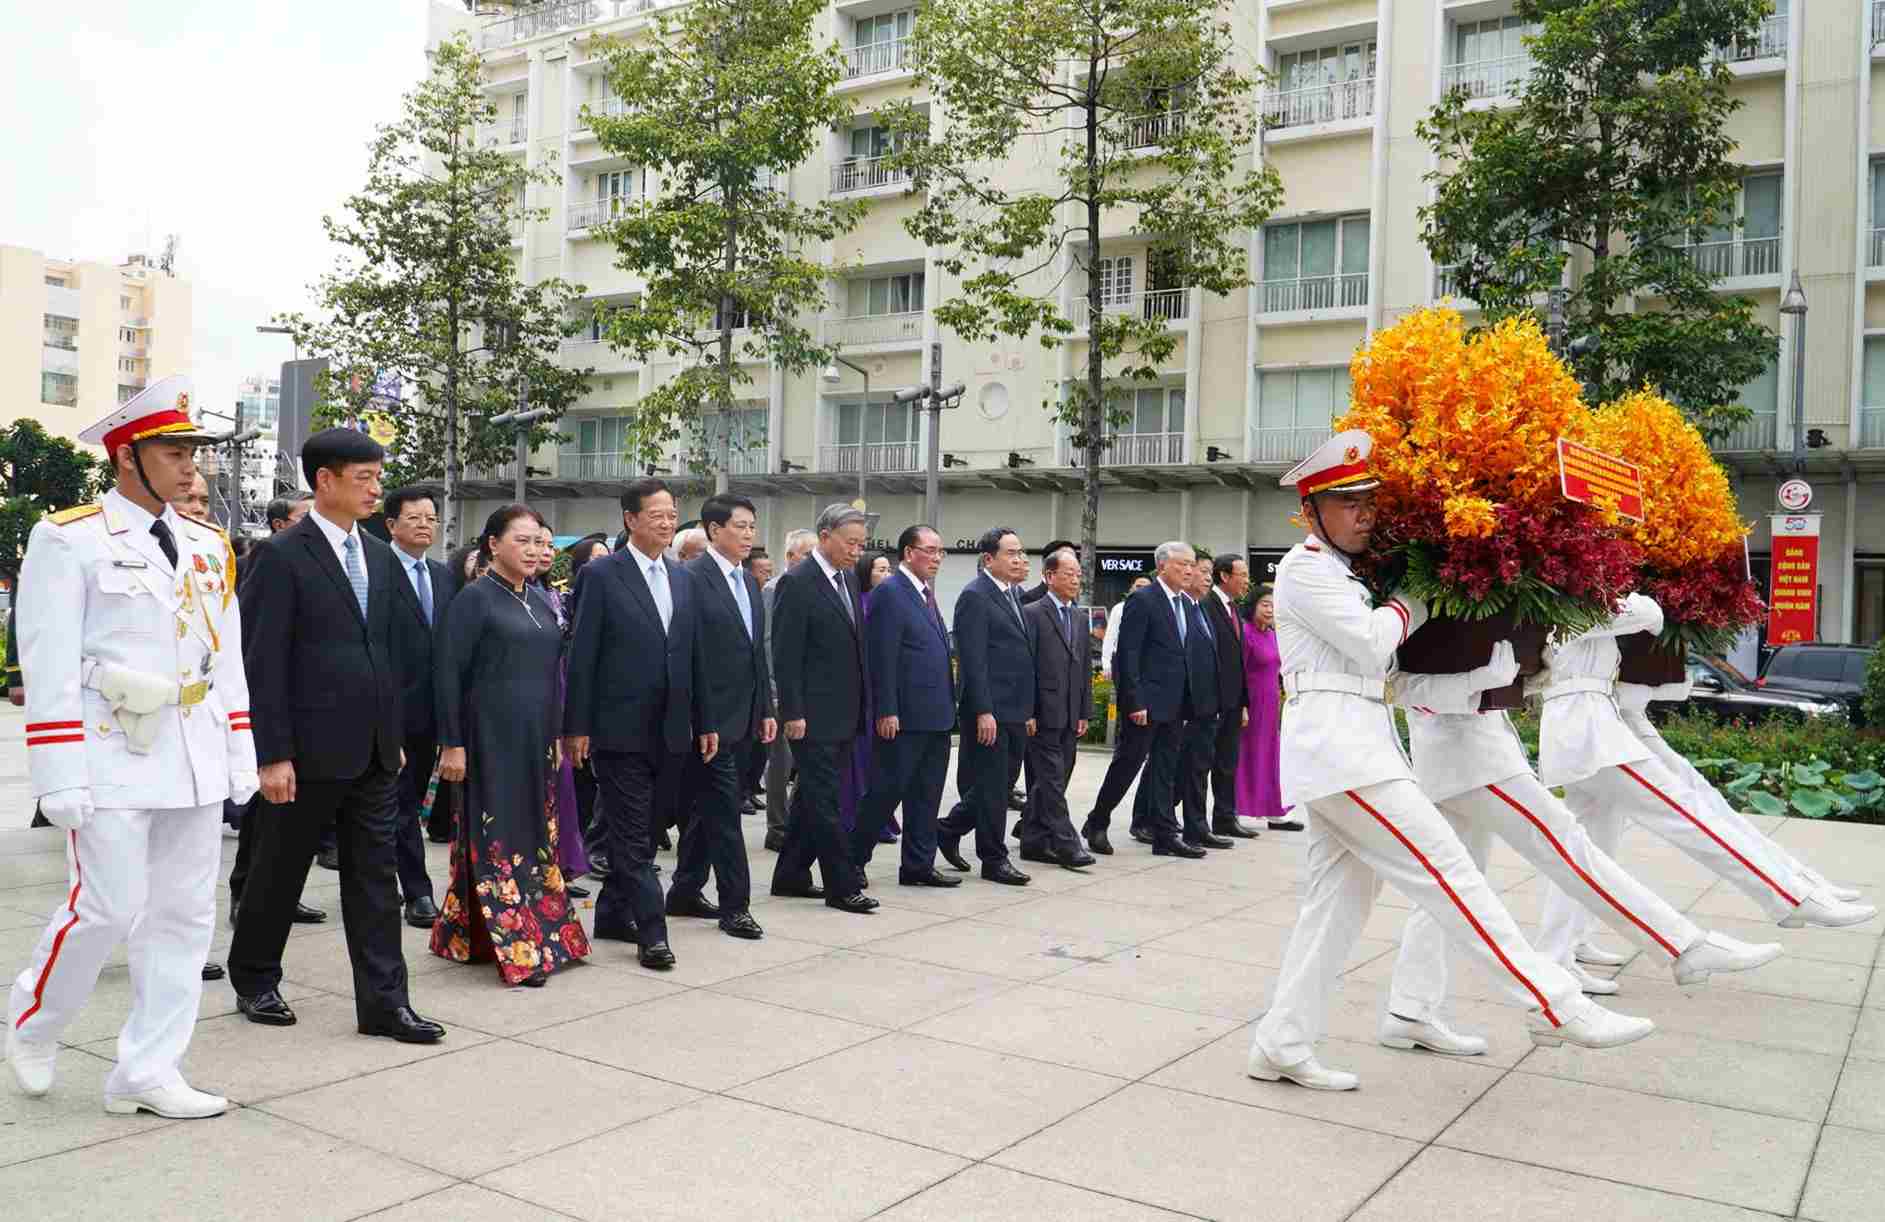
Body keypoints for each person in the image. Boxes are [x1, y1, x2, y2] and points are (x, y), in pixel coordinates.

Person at [1246, 430, 1649, 1093]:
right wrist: (1420, 595)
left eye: (1368, 501)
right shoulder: (1305, 567)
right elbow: (1371, 644)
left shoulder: (1345, 572)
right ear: (1311, 511)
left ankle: (1281, 1044)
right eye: (1347, 502)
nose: (1363, 513)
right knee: (1451, 874)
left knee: (1335, 910)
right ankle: (1554, 1004)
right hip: (1343, 756)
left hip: (1352, 751)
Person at [5, 376, 255, 1119]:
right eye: (174, 453)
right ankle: (36, 1020)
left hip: (194, 750)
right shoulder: (69, 536)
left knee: (183, 918)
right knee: (107, 907)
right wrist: (56, 771)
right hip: (110, 749)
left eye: (193, 454)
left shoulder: (210, 545)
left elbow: (227, 658)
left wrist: (239, 749)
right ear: (126, 457)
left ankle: (147, 1071)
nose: (190, 468)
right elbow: (46, 657)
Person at [1374, 648, 1783, 1058]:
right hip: (1470, 760)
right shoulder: (1423, 601)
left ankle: (1410, 1009)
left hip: (1464, 757)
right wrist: (1486, 677)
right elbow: (1405, 683)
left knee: (1447, 897)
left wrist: (1523, 674)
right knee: (1568, 847)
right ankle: (1681, 945)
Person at [227, 427, 445, 1046]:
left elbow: (388, 656)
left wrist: (393, 734)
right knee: (279, 871)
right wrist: (271, 754)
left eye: (379, 477)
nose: (377, 489)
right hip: (303, 756)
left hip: (374, 753)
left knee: (376, 881)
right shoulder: (281, 556)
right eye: (365, 478)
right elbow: (261, 662)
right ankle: (255, 977)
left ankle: (384, 1004)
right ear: (325, 480)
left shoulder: (376, 554)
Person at [1533, 595, 1876, 975]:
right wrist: (1648, 604)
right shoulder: (1562, 600)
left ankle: (1557, 954)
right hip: (1590, 737)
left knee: (1590, 853)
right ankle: (1789, 897)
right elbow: (1643, 612)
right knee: (1687, 815)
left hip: (1591, 730)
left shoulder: (1583, 605)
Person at [431, 506, 590, 986]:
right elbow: (447, 674)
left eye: (541, 542)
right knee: (499, 839)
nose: (535, 550)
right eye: (522, 541)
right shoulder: (475, 600)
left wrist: (560, 734)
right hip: (489, 738)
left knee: (536, 836)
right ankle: (519, 943)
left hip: (537, 740)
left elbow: (552, 676)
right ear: (493, 544)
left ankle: (480, 933)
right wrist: (452, 744)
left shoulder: (541, 600)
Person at [564, 479, 699, 970]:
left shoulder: (683, 576)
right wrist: (576, 727)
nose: (667, 522)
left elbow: (690, 655)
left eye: (672, 514)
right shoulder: (603, 575)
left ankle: (611, 914)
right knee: (633, 833)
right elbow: (583, 655)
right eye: (657, 514)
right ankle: (652, 931)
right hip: (619, 729)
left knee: (643, 829)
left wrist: (700, 720)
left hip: (673, 729)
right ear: (630, 519)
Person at [670, 494, 773, 940]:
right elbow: (691, 658)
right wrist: (704, 720)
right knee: (726, 815)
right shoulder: (691, 578)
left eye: (753, 526)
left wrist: (766, 707)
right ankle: (737, 906)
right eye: (741, 526)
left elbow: (756, 654)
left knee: (705, 811)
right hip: (708, 724)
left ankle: (684, 890)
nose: (749, 534)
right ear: (714, 531)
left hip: (745, 718)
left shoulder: (748, 582)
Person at [769, 504, 877, 913]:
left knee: (812, 798)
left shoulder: (848, 579)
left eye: (862, 545)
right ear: (826, 535)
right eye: (851, 543)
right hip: (810, 716)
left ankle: (791, 874)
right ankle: (842, 885)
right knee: (827, 801)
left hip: (844, 713)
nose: (856, 551)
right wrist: (792, 712)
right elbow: (786, 652)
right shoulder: (797, 582)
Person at [852, 525, 959, 888]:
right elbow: (882, 656)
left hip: (936, 715)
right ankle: (853, 860)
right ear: (909, 553)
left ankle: (918, 865)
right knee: (885, 792)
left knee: (926, 795)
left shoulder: (925, 594)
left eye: (940, 552)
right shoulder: (891, 592)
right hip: (903, 717)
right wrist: (886, 710)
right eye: (930, 550)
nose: (937, 558)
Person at [1083, 543, 1205, 859]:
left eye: (1193, 565)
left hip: (1177, 702)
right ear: (1163, 566)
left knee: (1165, 769)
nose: (1190, 570)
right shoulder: (1143, 600)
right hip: (1146, 703)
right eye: (1183, 564)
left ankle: (1164, 833)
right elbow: (1128, 654)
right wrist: (1133, 701)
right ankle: (1097, 820)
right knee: (1128, 763)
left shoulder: (1187, 604)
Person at [937, 526, 1035, 885]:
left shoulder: (1014, 594)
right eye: (1011, 553)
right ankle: (994, 859)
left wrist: (1030, 709)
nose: (1019, 559)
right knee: (993, 788)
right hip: (990, 709)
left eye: (1021, 552)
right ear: (988, 559)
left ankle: (948, 829)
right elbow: (973, 659)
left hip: (1015, 708)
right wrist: (983, 710)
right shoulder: (975, 596)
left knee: (998, 785)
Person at [382, 486, 444, 930]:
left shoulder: (443, 576)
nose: (425, 525)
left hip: (431, 714)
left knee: (410, 802)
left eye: (430, 517)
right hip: (386, 711)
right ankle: (417, 891)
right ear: (391, 525)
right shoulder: (375, 570)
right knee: (398, 804)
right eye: (414, 517)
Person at [1018, 545, 1095, 870]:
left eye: (1078, 574)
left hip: (1069, 713)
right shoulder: (1033, 612)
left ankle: (1033, 840)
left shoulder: (1078, 616)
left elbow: (1082, 670)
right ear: (1049, 576)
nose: (1076, 580)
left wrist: (1083, 711)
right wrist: (1028, 711)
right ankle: (1067, 843)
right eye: (1069, 574)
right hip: (1043, 712)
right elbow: (1026, 667)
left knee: (1054, 779)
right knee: (1051, 781)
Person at [1168, 556, 1231, 851]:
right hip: (1188, 708)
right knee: (1182, 769)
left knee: (1198, 769)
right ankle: (1171, 824)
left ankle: (1197, 826)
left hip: (1208, 707)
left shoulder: (1200, 610)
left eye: (1207, 572)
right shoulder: (1183, 611)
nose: (1205, 577)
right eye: (1199, 571)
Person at [762, 527, 816, 852]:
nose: (811, 560)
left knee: (803, 763)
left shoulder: (809, 587)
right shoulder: (775, 587)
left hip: (807, 691)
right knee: (780, 764)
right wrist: (775, 690)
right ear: (790, 557)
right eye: (806, 554)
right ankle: (778, 826)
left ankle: (795, 822)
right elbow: (770, 642)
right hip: (781, 691)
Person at [842, 550, 897, 842]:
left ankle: (878, 820)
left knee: (877, 761)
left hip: (880, 692)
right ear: (866, 573)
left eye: (889, 570)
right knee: (858, 759)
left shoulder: (887, 603)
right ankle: (856, 818)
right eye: (881, 570)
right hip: (860, 693)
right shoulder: (860, 603)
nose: (887, 576)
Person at [1234, 590, 1298, 831]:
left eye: (1273, 605)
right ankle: (1235, 812)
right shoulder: (1245, 633)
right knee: (1245, 757)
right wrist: (1241, 706)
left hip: (1271, 706)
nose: (1270, 609)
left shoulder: (1272, 635)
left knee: (1271, 757)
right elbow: (1237, 672)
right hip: (1250, 706)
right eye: (1265, 604)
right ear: (1253, 606)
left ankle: (1275, 812)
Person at [1203, 554, 1257, 840]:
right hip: (1212, 700)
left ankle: (1225, 817)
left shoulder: (1233, 608)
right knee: (1200, 764)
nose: (1247, 580)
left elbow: (1238, 660)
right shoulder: (1206, 606)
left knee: (1227, 762)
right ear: (1224, 576)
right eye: (1243, 574)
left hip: (1233, 701)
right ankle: (1173, 819)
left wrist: (1243, 702)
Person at [740, 546, 775, 813]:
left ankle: (748, 789)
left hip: (757, 692)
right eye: (763, 571)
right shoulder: (765, 593)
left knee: (758, 751)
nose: (767, 576)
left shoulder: (752, 589)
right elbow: (764, 641)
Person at [1099, 576, 1151, 681]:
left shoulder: (1157, 609)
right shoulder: (1119, 609)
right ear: (1131, 588)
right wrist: (1106, 663)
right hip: (1122, 661)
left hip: (1148, 662)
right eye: (1138, 586)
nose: (1141, 589)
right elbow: (1110, 636)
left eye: (1145, 587)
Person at [1019, 539, 1076, 607]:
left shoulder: (1071, 600)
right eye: (1066, 560)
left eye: (1074, 560)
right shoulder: (1029, 599)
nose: (1072, 564)